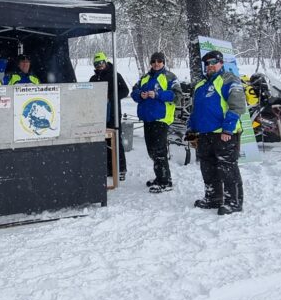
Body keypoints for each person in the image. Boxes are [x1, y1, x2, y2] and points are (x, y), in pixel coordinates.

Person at [186, 50, 247, 215]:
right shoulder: (200, 84)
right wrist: (191, 128)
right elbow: (196, 110)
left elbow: (237, 105)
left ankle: (233, 202)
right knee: (208, 167)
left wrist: (228, 128)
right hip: (205, 134)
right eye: (207, 63)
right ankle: (213, 198)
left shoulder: (229, 79)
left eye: (213, 62)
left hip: (224, 133)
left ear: (221, 63)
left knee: (227, 168)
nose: (210, 66)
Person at [131, 51, 181, 193]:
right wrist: (140, 94)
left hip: (161, 118)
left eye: (159, 61)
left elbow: (177, 96)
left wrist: (158, 95)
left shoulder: (170, 76)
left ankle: (165, 181)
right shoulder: (145, 77)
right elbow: (133, 92)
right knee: (151, 150)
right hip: (147, 118)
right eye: (154, 61)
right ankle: (159, 177)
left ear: (163, 62)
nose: (156, 64)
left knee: (159, 150)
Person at [89, 52, 129, 180]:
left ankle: (121, 168)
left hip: (113, 114)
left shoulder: (115, 75)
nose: (99, 66)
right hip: (99, 114)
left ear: (105, 62)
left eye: (101, 63)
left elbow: (125, 91)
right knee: (103, 141)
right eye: (96, 64)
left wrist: (110, 97)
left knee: (116, 140)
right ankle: (108, 168)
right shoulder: (93, 79)